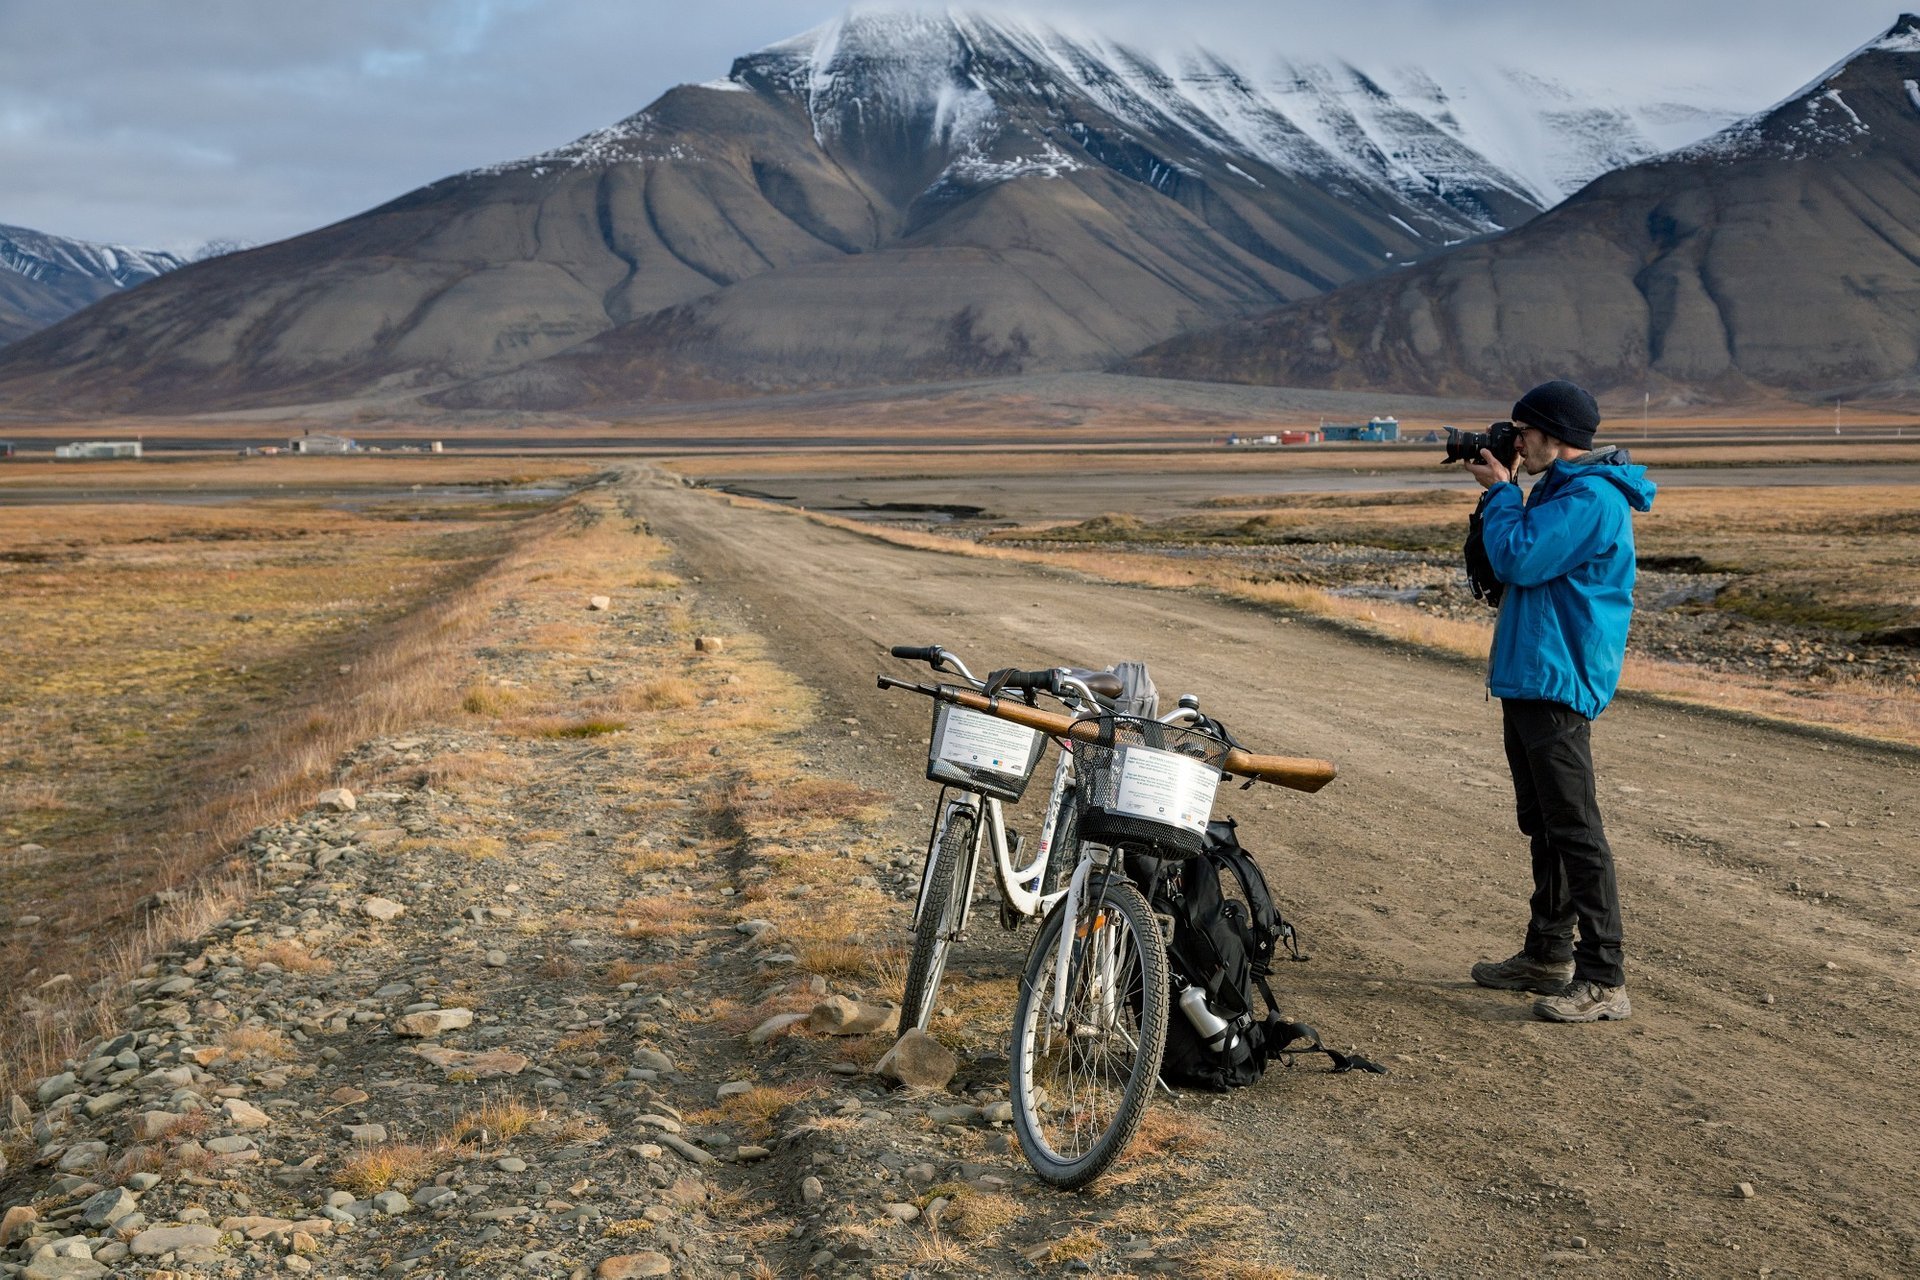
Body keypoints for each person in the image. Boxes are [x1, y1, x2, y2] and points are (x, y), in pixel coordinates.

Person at [1462, 379, 1656, 1023]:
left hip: (1558, 678)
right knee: (1544, 823)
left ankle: (1604, 977)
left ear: (1551, 435)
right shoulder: (1560, 491)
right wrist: (1507, 496)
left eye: (1523, 432)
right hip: (1530, 676)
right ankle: (1548, 954)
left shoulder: (1591, 499)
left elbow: (1518, 557)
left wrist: (1498, 493)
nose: (1515, 443)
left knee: (1575, 829)